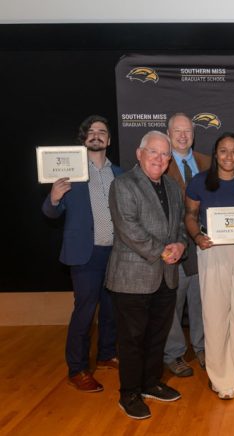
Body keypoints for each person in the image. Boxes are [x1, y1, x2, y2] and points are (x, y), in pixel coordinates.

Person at [106, 131, 186, 420]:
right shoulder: (123, 185)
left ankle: (150, 383)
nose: (159, 159)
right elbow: (129, 229)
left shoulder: (174, 189)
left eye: (165, 155)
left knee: (157, 335)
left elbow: (178, 228)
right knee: (132, 338)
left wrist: (180, 245)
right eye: (153, 152)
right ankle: (129, 393)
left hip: (166, 276)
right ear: (140, 154)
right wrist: (164, 251)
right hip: (132, 277)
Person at [42, 115, 121, 392]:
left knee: (111, 310)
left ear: (109, 140)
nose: (96, 135)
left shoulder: (120, 174)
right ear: (84, 138)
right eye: (91, 131)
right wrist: (53, 197)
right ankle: (77, 369)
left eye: (102, 131)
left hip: (115, 254)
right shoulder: (68, 173)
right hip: (84, 254)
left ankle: (107, 354)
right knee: (85, 313)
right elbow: (50, 212)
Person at [185, 133, 234, 400]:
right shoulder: (199, 182)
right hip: (212, 250)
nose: (229, 156)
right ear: (215, 153)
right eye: (223, 151)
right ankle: (221, 378)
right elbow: (191, 215)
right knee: (216, 315)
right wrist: (197, 237)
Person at [163, 113, 210, 377]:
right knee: (174, 301)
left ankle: (202, 347)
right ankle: (174, 353)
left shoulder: (207, 162)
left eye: (188, 131)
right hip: (174, 244)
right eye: (177, 131)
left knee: (201, 299)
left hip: (204, 244)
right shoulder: (161, 162)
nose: (183, 136)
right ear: (168, 134)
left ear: (194, 134)